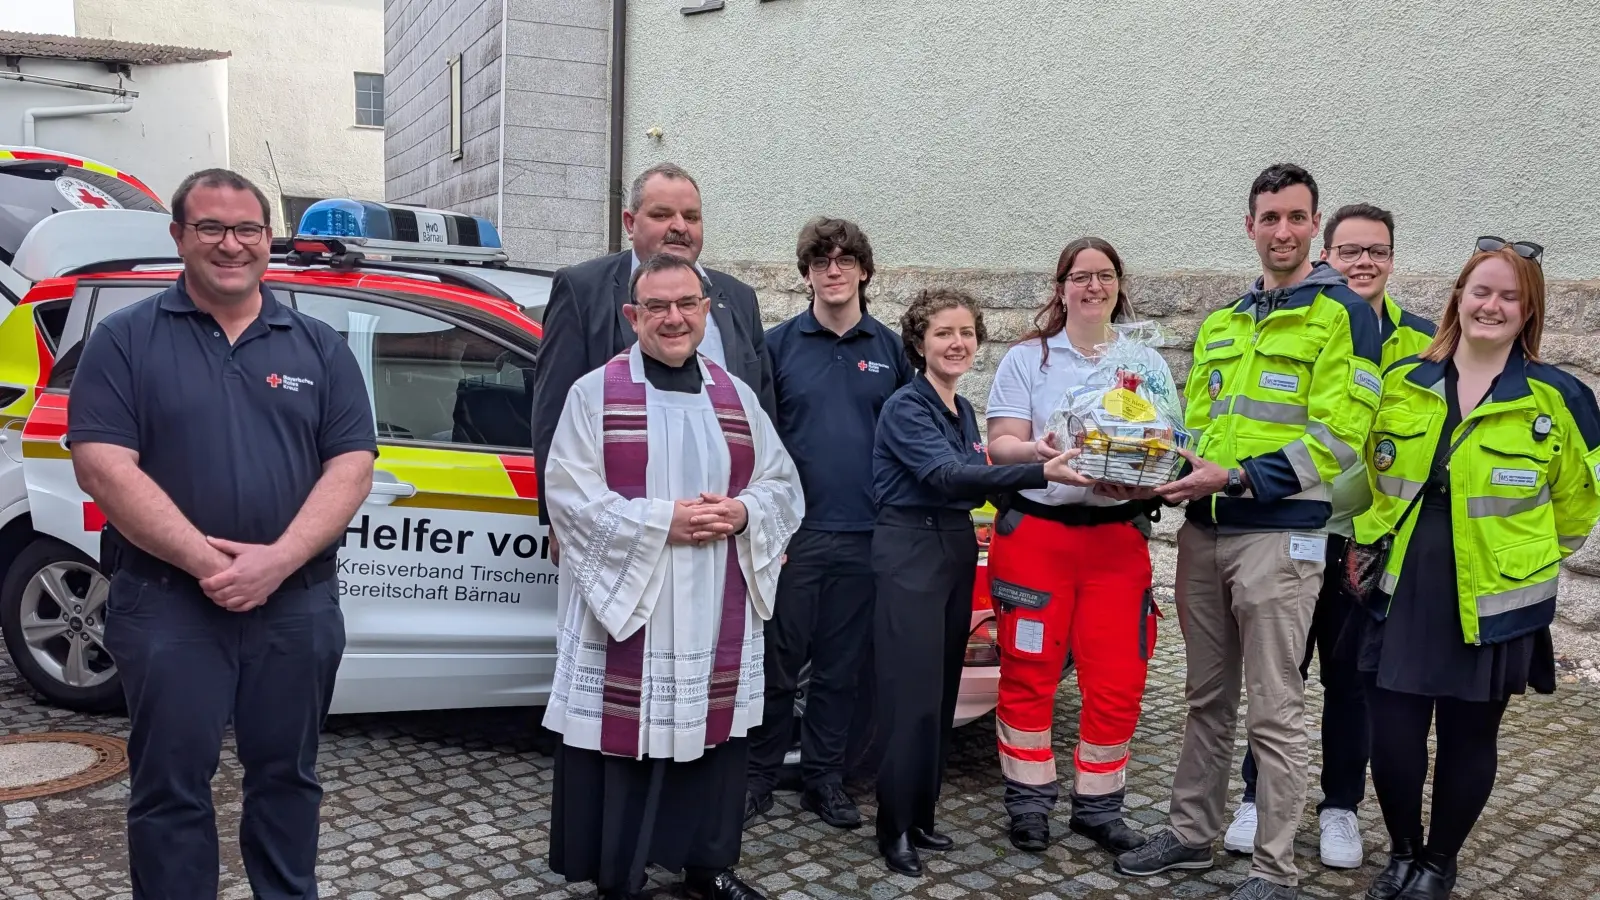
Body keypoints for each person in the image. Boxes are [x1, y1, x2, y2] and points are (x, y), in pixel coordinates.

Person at [67, 168, 378, 900]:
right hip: (170, 602)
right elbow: (102, 466)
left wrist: (278, 561)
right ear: (178, 236)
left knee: (288, 780)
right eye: (210, 228)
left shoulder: (318, 346)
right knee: (170, 790)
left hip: (295, 602)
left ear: (268, 240)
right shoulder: (125, 341)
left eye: (247, 230)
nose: (230, 244)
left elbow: (352, 467)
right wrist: (211, 563)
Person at [1115, 163, 1383, 900]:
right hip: (1204, 532)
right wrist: (1151, 463)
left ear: (1314, 226)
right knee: (1205, 697)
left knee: (1275, 707)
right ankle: (1192, 834)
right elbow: (1197, 429)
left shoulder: (1344, 316)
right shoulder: (1225, 322)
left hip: (1279, 536)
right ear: (1250, 226)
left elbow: (1341, 438)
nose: (1283, 231)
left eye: (1296, 218)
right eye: (1270, 218)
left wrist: (1235, 478)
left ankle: (1273, 867)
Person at [540, 251, 804, 900]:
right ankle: (620, 876)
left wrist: (744, 513)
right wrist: (664, 523)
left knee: (714, 740)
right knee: (627, 739)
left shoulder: (735, 396)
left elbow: (783, 485)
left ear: (707, 312)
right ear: (633, 316)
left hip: (717, 597)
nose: (673, 318)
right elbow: (569, 498)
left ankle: (708, 865)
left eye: (686, 304)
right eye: (656, 306)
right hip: (635, 601)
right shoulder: (594, 393)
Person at [1351, 239, 1599, 900]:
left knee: (1468, 737)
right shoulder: (1406, 381)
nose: (1492, 305)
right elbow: (1367, 481)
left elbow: (1578, 505)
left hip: (1493, 596)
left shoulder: (1561, 398)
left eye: (1509, 296)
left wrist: (1525, 557)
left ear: (1529, 311)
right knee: (1394, 737)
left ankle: (1439, 863)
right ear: (1458, 297)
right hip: (1401, 584)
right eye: (1480, 290)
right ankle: (1402, 850)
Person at [1226, 203, 1436, 870]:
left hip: (1368, 541)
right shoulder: (1309, 322)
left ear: (1394, 259)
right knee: (1278, 674)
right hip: (1296, 528)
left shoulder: (1427, 347)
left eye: (1376, 251)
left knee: (1352, 681)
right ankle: (1257, 796)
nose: (1363, 262)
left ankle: (1340, 805)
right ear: (1327, 255)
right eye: (1349, 251)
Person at [870, 288, 1088, 877]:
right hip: (909, 550)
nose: (957, 343)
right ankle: (893, 830)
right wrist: (1039, 469)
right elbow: (945, 476)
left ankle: (922, 817)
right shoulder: (907, 407)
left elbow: (983, 479)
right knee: (908, 698)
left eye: (966, 332)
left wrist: (1038, 466)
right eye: (943, 332)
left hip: (951, 547)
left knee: (938, 695)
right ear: (919, 342)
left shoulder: (962, 411)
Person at [982, 237, 1169, 856]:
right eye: (1080, 276)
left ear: (1120, 284)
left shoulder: (1145, 362)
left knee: (1117, 677)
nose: (1094, 286)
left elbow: (1164, 440)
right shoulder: (1027, 359)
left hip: (1116, 539)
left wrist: (1149, 472)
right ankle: (1029, 803)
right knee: (1030, 671)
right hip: (1037, 536)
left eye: (1105, 275)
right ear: (1060, 287)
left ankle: (1098, 807)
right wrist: (1037, 456)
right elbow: (1001, 443)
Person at [745, 218, 912, 828]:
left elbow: (906, 442)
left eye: (844, 260)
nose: (833, 271)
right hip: (794, 537)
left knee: (841, 670)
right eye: (821, 262)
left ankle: (824, 779)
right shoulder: (777, 345)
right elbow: (756, 443)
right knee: (777, 666)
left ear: (865, 271)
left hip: (868, 536)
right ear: (807, 273)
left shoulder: (892, 351)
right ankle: (758, 778)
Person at [531, 162, 776, 562]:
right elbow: (553, 409)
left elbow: (762, 411)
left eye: (691, 216)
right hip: (627, 525)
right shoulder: (582, 289)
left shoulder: (738, 298)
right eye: (663, 215)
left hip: (721, 524)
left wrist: (764, 521)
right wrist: (558, 520)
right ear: (630, 221)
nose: (679, 226)